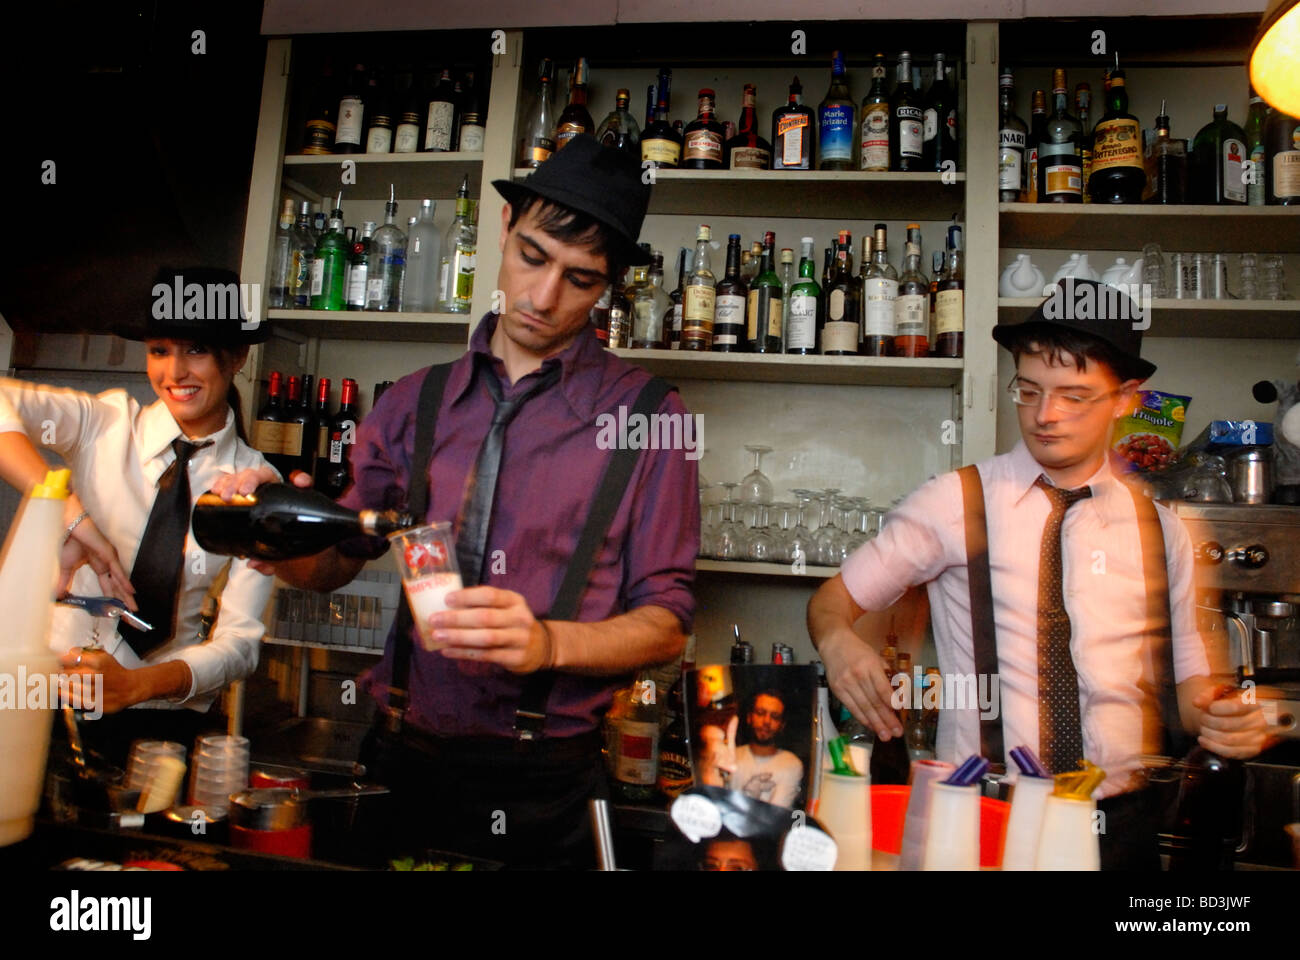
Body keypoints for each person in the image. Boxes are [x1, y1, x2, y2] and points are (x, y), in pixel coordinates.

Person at [213, 135, 698, 869]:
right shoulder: (415, 401)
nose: (543, 297)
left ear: (610, 286)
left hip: (547, 783)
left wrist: (550, 644)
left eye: (580, 279)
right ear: (504, 231)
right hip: (399, 764)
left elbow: (667, 626)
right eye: (533, 256)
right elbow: (335, 564)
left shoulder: (654, 417)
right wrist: (279, 543)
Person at [808, 279, 1270, 870]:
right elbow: (833, 600)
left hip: (1119, 827)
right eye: (1029, 392)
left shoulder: (1163, 531)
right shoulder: (954, 500)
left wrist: (1222, 717)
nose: (1045, 416)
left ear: (1127, 398)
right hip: (979, 817)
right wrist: (839, 640)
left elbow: (1187, 688)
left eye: (1074, 396)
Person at [0, 266, 277, 765]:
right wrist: (67, 509)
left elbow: (240, 644)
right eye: (159, 351)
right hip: (36, 697)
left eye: (195, 349)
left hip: (159, 723)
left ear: (236, 357)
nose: (174, 374)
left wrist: (134, 685)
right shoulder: (102, 423)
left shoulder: (254, 483)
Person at [728, 689, 804, 808]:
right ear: (749, 717)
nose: (767, 721)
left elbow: (776, 814)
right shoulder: (730, 757)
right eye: (760, 713)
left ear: (781, 725)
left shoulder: (791, 764)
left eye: (774, 716)